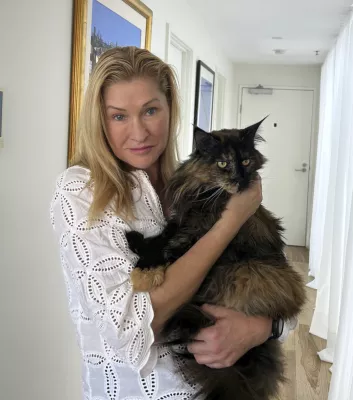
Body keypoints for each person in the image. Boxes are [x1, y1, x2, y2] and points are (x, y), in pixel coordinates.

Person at [50, 46, 295, 399]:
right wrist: (232, 220)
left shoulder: (199, 182)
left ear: (170, 109)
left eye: (150, 110)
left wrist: (262, 327)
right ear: (98, 121)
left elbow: (282, 293)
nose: (139, 133)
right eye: (118, 116)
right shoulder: (80, 191)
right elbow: (132, 328)